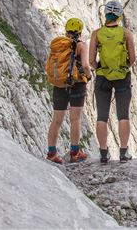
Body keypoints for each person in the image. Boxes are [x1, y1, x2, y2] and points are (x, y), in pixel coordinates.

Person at [89, 0, 136, 164]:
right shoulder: (126, 33)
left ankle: (103, 153)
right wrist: (122, 68)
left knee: (102, 116)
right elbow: (133, 59)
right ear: (119, 15)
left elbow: (91, 61)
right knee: (123, 115)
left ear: (105, 15)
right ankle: (123, 152)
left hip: (102, 77)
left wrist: (101, 69)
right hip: (122, 77)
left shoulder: (96, 34)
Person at [45, 18, 91, 164]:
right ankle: (75, 153)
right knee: (75, 119)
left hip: (59, 84)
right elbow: (85, 65)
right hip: (77, 84)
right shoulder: (81, 45)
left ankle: (51, 153)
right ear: (80, 30)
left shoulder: (59, 45)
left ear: (66, 30)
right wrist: (89, 76)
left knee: (56, 120)